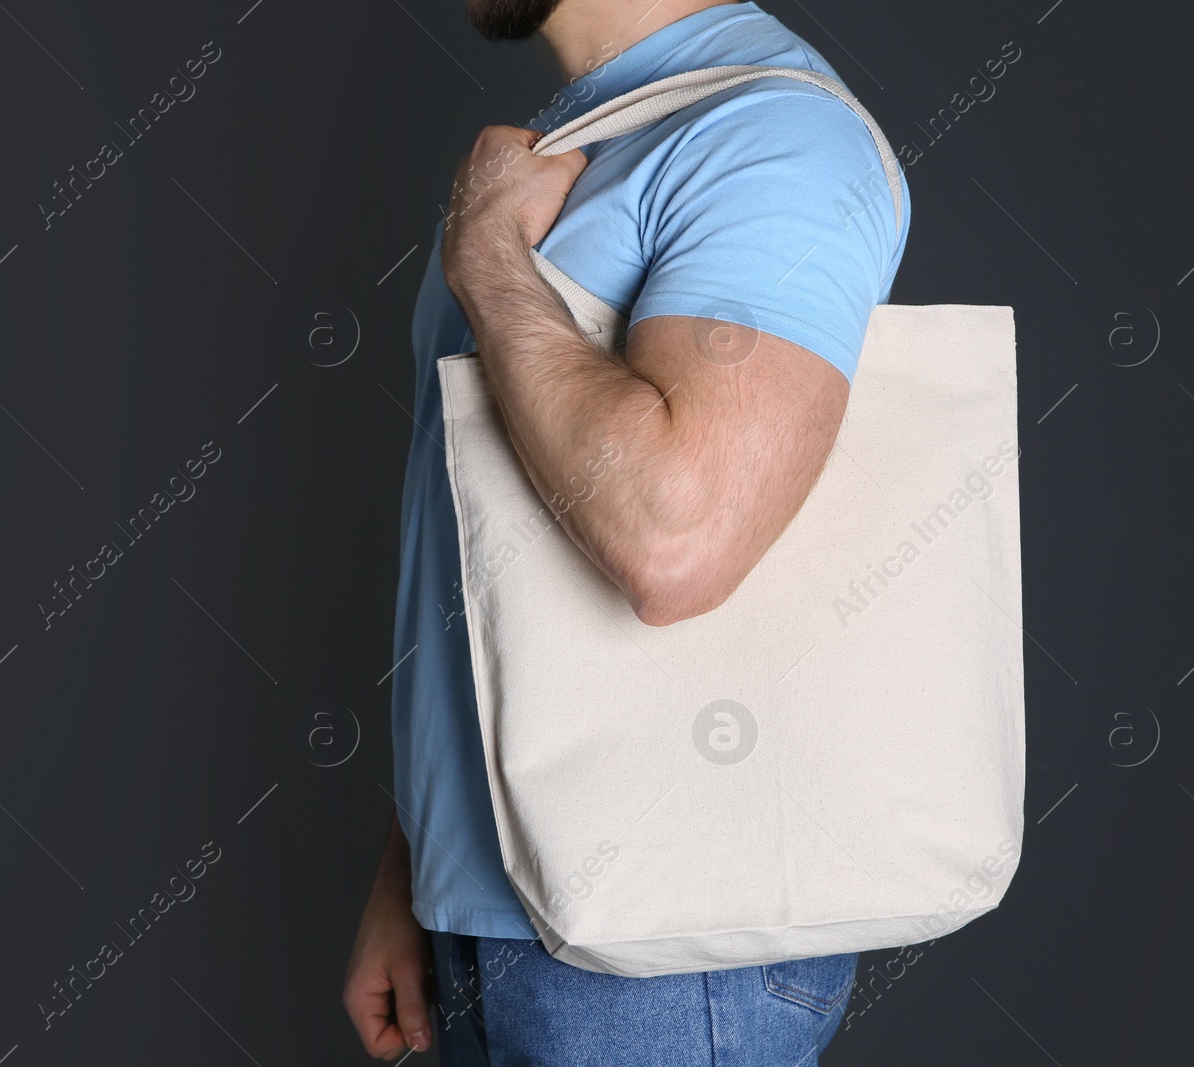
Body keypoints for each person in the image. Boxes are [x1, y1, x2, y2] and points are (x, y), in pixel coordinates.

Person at [344, 0, 911, 1062]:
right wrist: (415, 865)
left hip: (652, 949)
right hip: (483, 907)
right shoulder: (584, 137)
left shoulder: (773, 140)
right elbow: (483, 550)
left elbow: (676, 541)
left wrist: (488, 258)